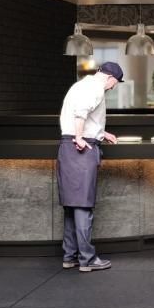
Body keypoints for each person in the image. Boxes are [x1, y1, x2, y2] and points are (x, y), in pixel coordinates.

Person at [57, 62, 121, 272]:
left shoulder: (79, 85)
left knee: (71, 206)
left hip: (66, 148)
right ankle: (87, 259)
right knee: (83, 206)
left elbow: (82, 116)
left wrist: (103, 133)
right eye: (115, 83)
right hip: (81, 149)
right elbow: (81, 112)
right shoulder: (96, 88)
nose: (113, 87)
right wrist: (79, 137)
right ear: (110, 78)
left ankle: (70, 256)